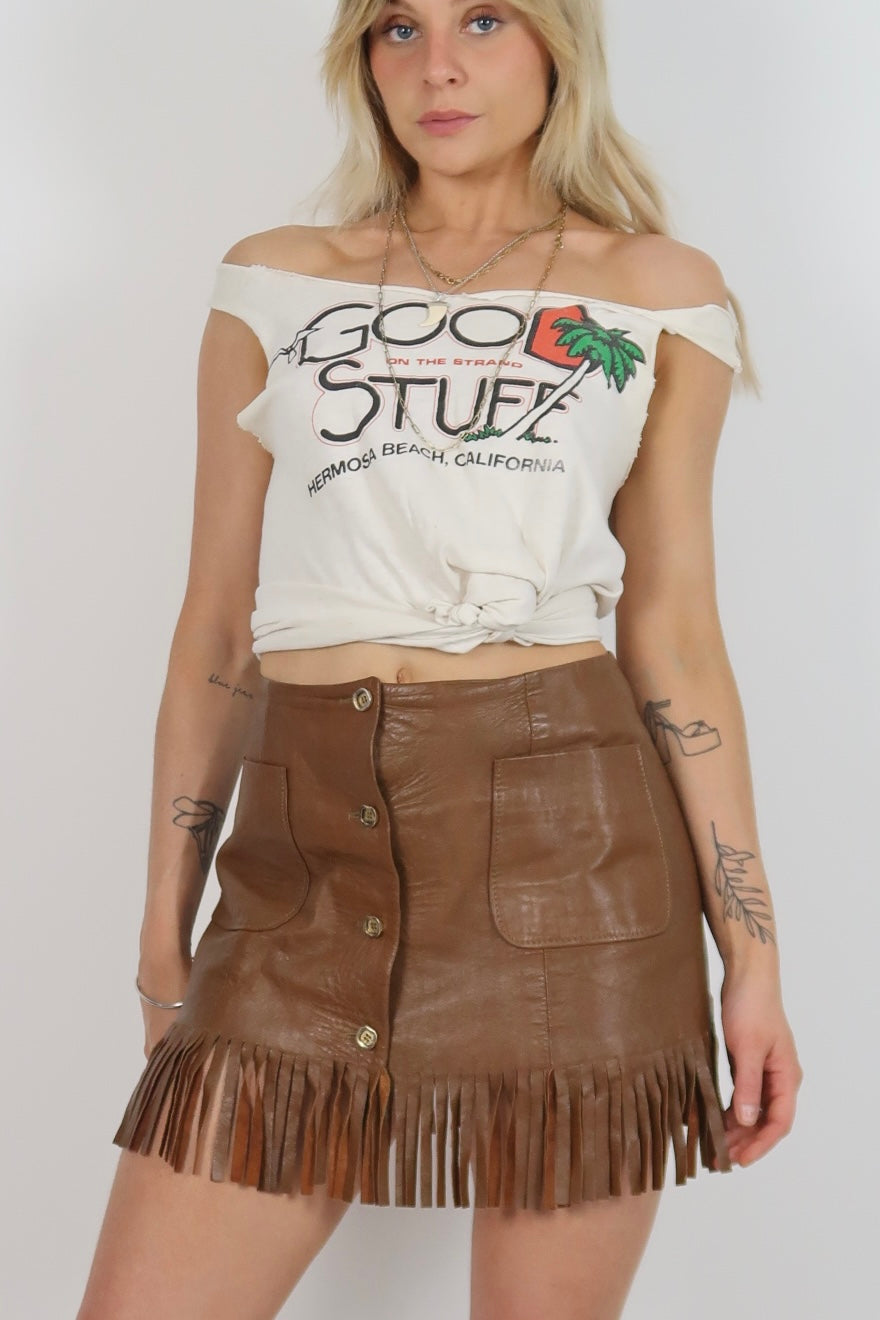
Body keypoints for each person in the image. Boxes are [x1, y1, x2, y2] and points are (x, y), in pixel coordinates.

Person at [77, 2, 803, 1317]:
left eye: (483, 18)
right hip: (298, 876)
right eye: (397, 28)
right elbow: (219, 629)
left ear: (558, 46)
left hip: (573, 878)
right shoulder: (275, 279)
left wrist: (752, 955)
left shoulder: (654, 290)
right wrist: (160, 931)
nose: (438, 65)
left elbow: (676, 631)